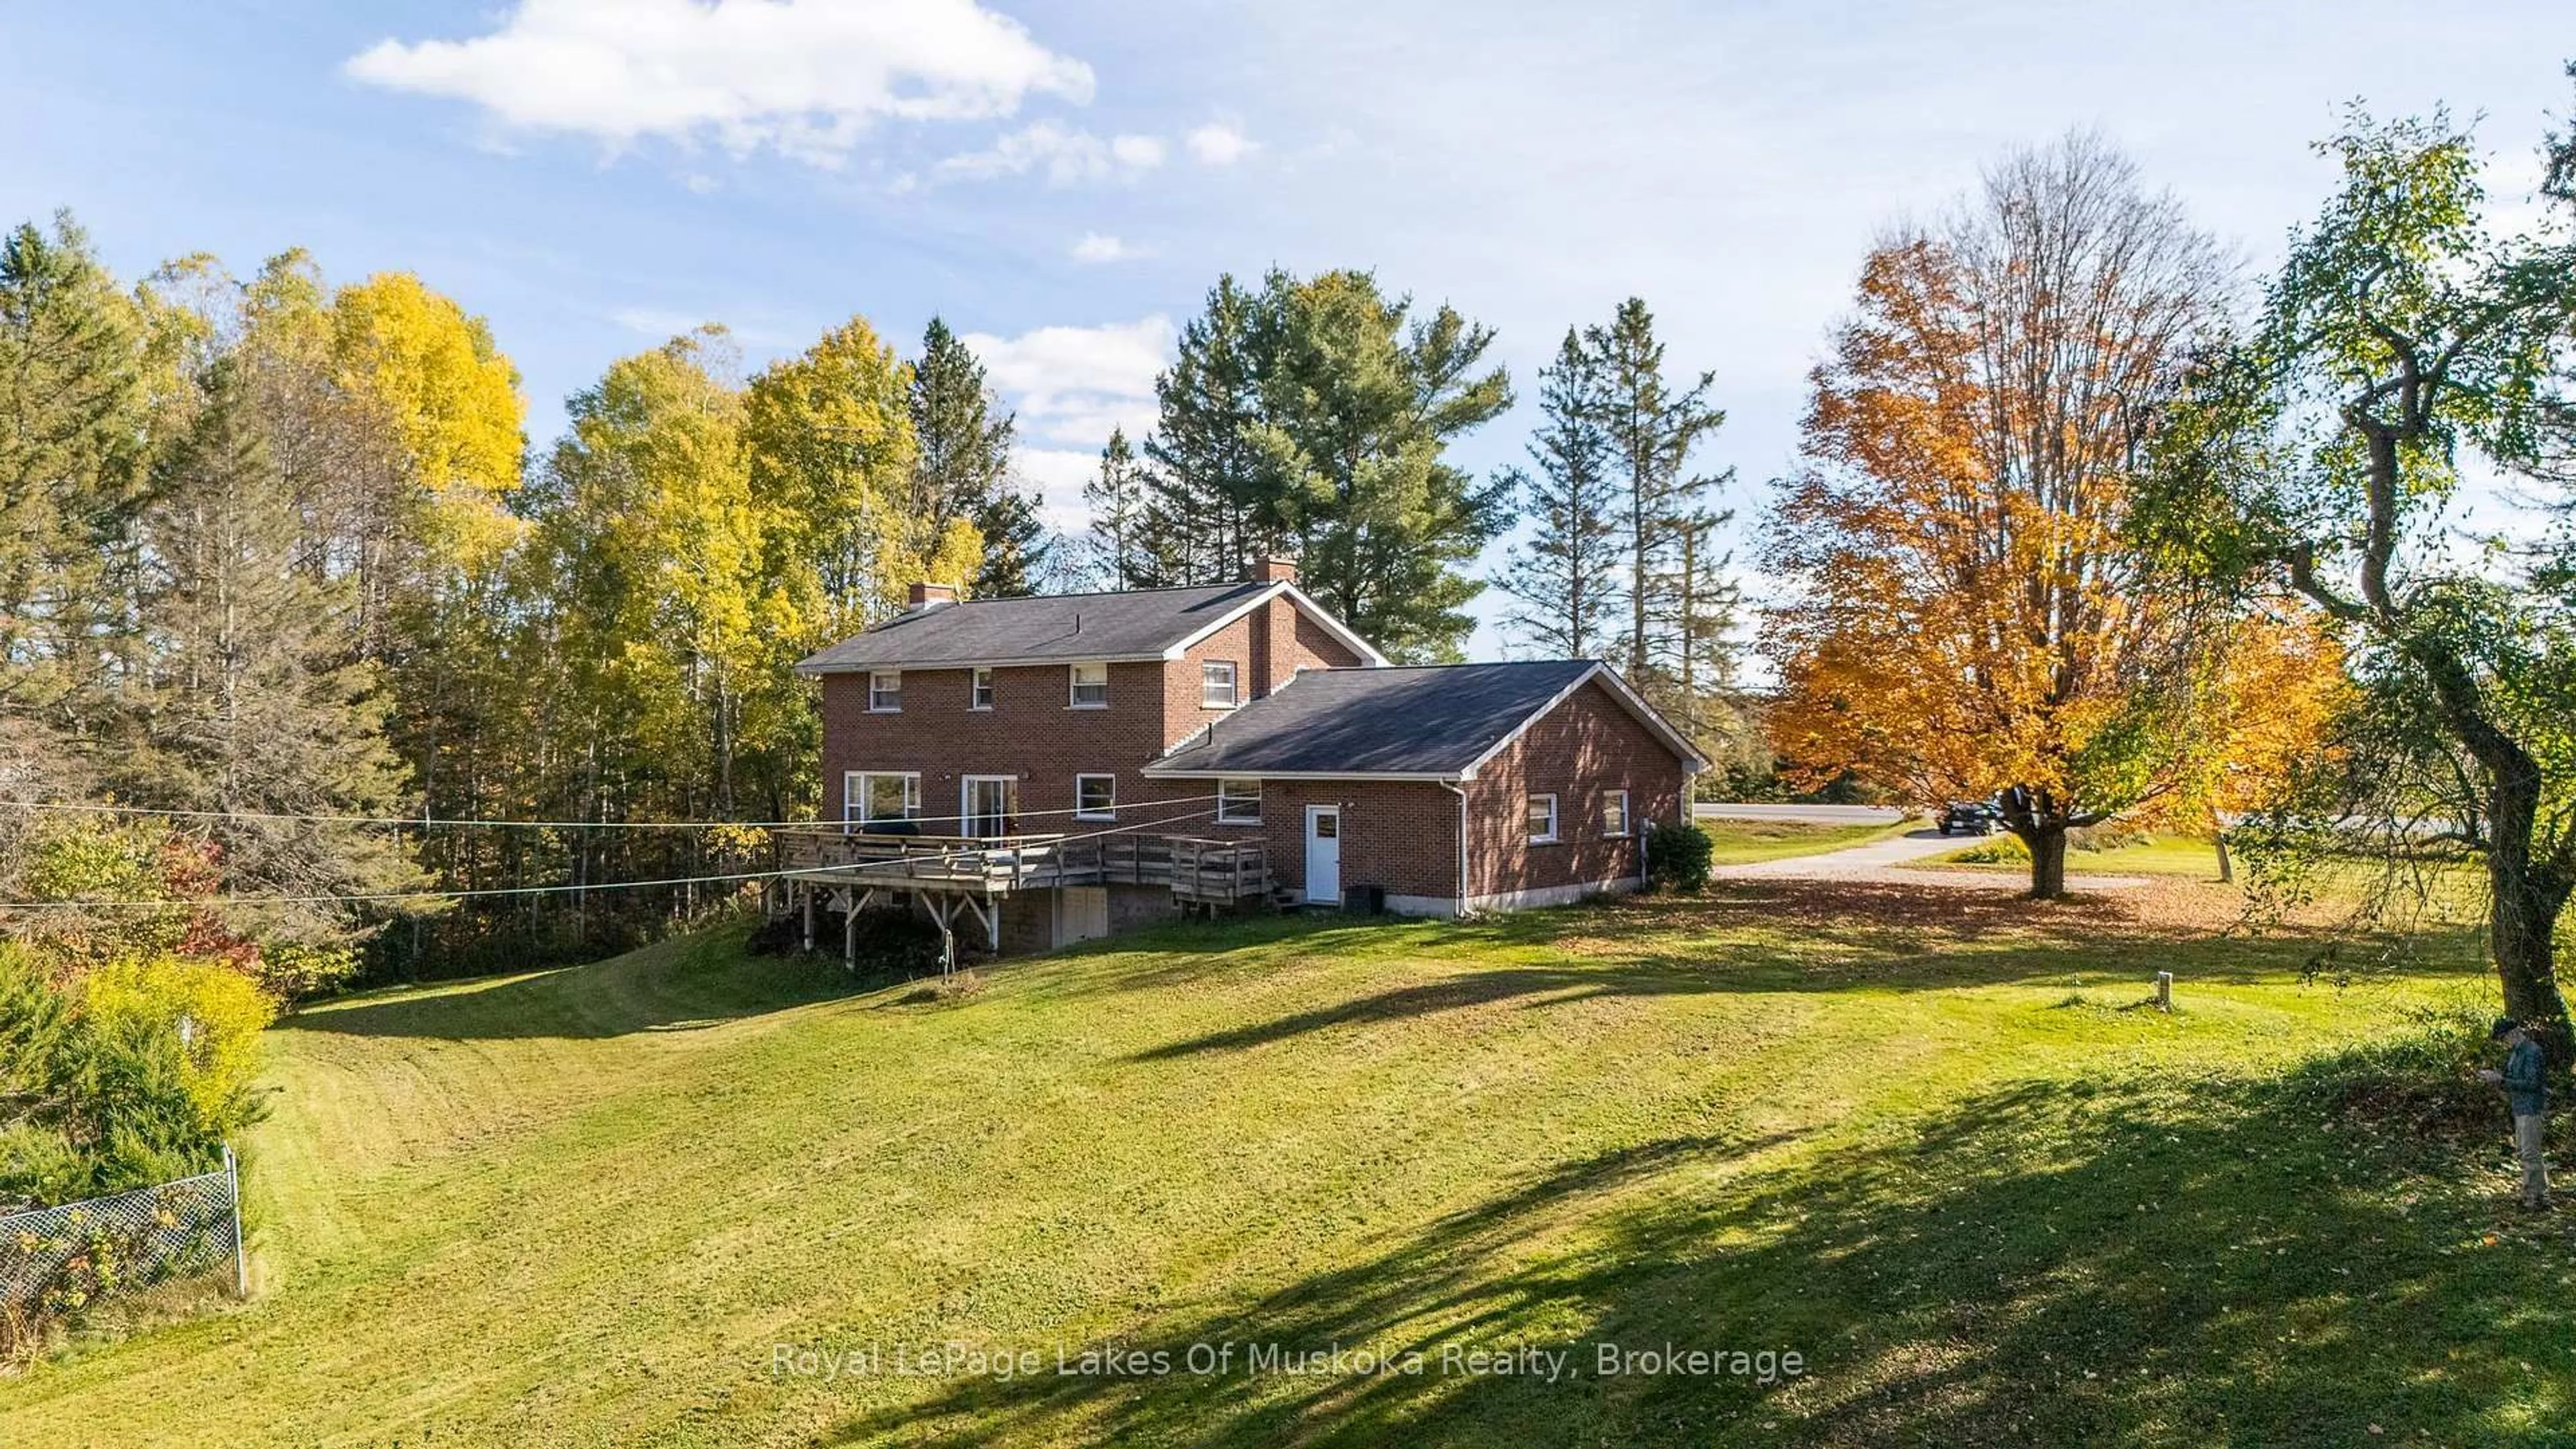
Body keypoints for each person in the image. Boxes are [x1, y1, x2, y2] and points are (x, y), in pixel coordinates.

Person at [2478, 1018, 2551, 1211]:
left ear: (2514, 1033)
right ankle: (2538, 1195)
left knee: (2530, 1153)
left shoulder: (2531, 1052)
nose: (2503, 1042)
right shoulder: (2516, 1053)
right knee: (2525, 1152)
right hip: (2520, 1107)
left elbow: (2532, 1083)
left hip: (2531, 1108)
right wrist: (2497, 1078)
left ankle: (2533, 1198)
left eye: (2503, 1038)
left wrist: (2501, 1080)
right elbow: (2514, 1079)